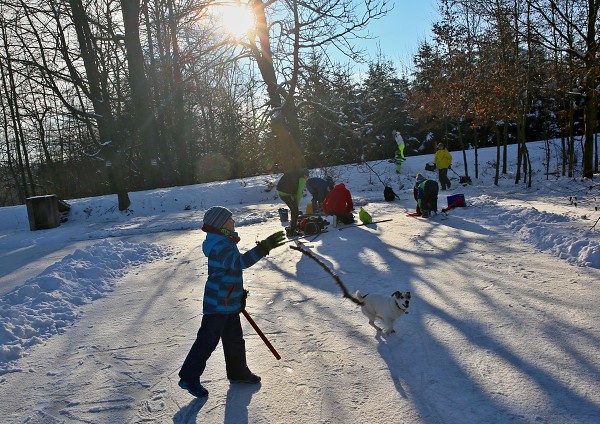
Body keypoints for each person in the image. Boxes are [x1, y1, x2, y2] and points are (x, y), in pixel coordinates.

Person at [178, 206, 286, 398]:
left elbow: (229, 272)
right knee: (207, 341)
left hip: (228, 302)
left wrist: (238, 296)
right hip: (218, 304)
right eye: (229, 219)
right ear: (220, 224)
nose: (233, 221)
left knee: (234, 340)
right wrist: (263, 247)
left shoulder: (224, 241)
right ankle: (189, 377)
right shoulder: (220, 245)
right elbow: (239, 263)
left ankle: (238, 373)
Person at [277, 168, 309, 236]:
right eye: (307, 176)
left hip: (280, 191)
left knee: (293, 210)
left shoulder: (295, 173)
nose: (307, 178)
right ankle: (292, 231)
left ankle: (292, 226)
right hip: (286, 193)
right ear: (305, 175)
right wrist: (296, 206)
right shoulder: (302, 179)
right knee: (295, 211)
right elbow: (299, 193)